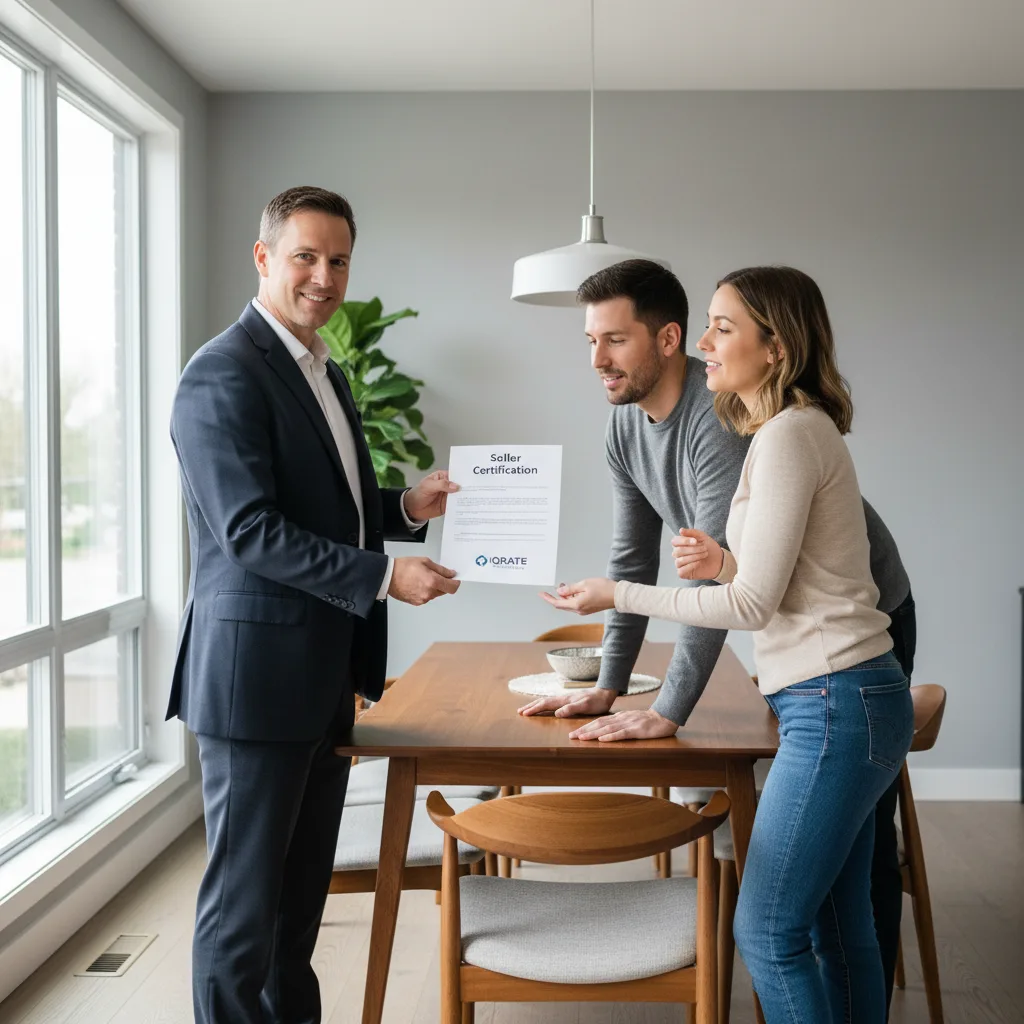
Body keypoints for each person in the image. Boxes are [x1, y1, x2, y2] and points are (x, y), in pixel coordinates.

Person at [518, 258, 914, 1013]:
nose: (706, 342)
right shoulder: (772, 429)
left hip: (836, 693)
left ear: (775, 347)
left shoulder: (775, 434)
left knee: (767, 929)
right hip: (834, 692)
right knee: (837, 922)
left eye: (722, 327)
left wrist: (625, 613)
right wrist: (611, 678)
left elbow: (748, 603)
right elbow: (757, 572)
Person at [167, 185, 461, 1024]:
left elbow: (328, 506)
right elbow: (248, 530)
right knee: (243, 913)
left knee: (297, 911)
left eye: (338, 261)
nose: (325, 277)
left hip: (321, 680)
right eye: (306, 256)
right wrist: (380, 576)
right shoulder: (221, 372)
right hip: (255, 686)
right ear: (263, 258)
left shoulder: (320, 369)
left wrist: (406, 509)